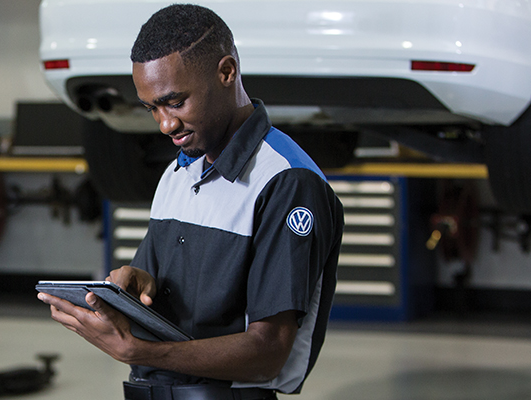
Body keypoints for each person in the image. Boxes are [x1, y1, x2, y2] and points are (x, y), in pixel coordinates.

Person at [37, 4, 344, 400]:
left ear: (226, 72)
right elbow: (153, 285)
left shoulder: (285, 181)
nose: (165, 124)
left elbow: (267, 353)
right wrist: (134, 284)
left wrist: (140, 351)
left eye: (176, 102)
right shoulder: (180, 172)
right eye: (153, 109)